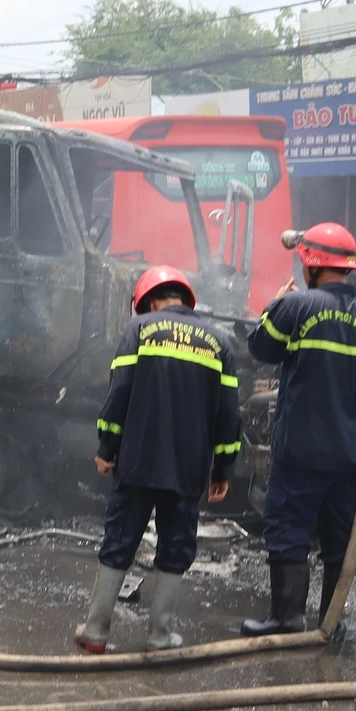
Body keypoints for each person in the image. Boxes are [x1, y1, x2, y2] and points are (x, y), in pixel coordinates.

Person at [241, 223, 356, 637]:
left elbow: (259, 348)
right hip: (353, 453)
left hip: (301, 449)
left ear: (310, 265)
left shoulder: (296, 307)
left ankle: (287, 617)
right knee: (340, 538)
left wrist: (271, 306)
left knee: (288, 528)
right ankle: (332, 623)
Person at [76, 265, 242, 654]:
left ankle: (96, 632)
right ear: (185, 299)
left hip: (137, 460)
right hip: (189, 466)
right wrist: (223, 469)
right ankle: (159, 636)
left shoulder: (140, 329)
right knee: (176, 544)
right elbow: (229, 416)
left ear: (148, 302)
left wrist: (106, 447)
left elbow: (119, 392)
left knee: (120, 539)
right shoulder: (220, 341)